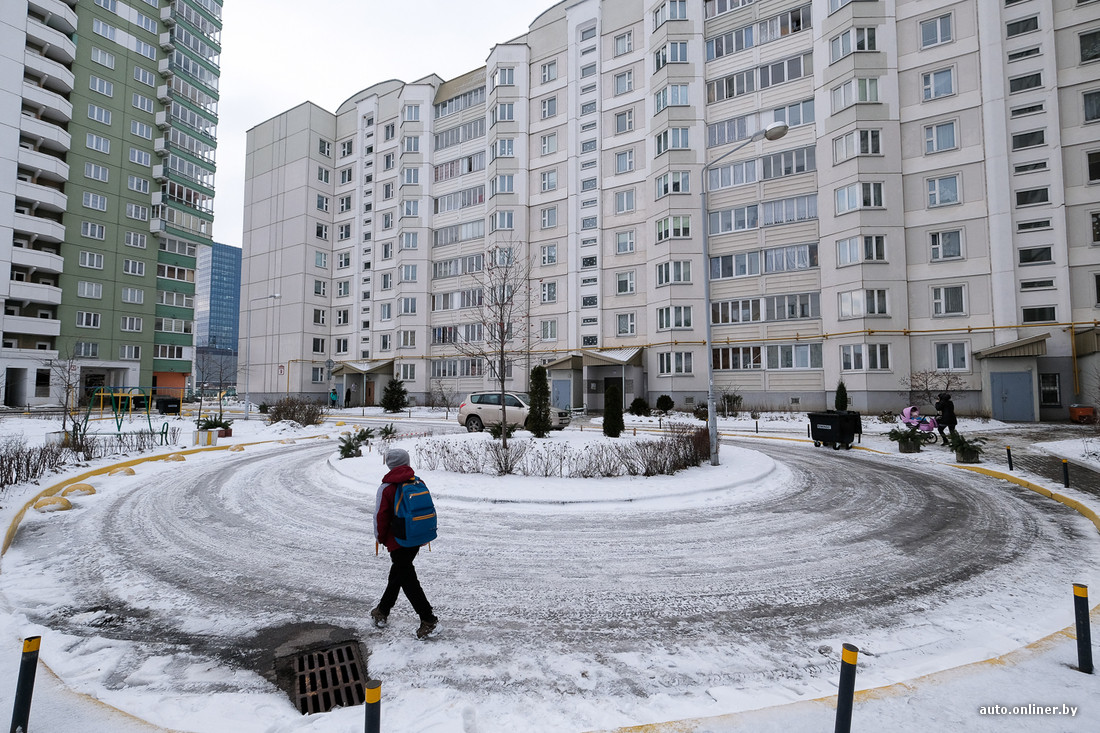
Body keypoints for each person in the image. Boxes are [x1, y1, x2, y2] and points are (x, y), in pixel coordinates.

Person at [371, 449, 439, 639]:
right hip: (415, 538)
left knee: (407, 579)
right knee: (398, 574)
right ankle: (382, 611)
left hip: (397, 540)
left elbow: (380, 516)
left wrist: (380, 538)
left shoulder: (386, 488)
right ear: (407, 462)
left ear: (390, 464)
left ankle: (428, 620)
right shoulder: (417, 481)